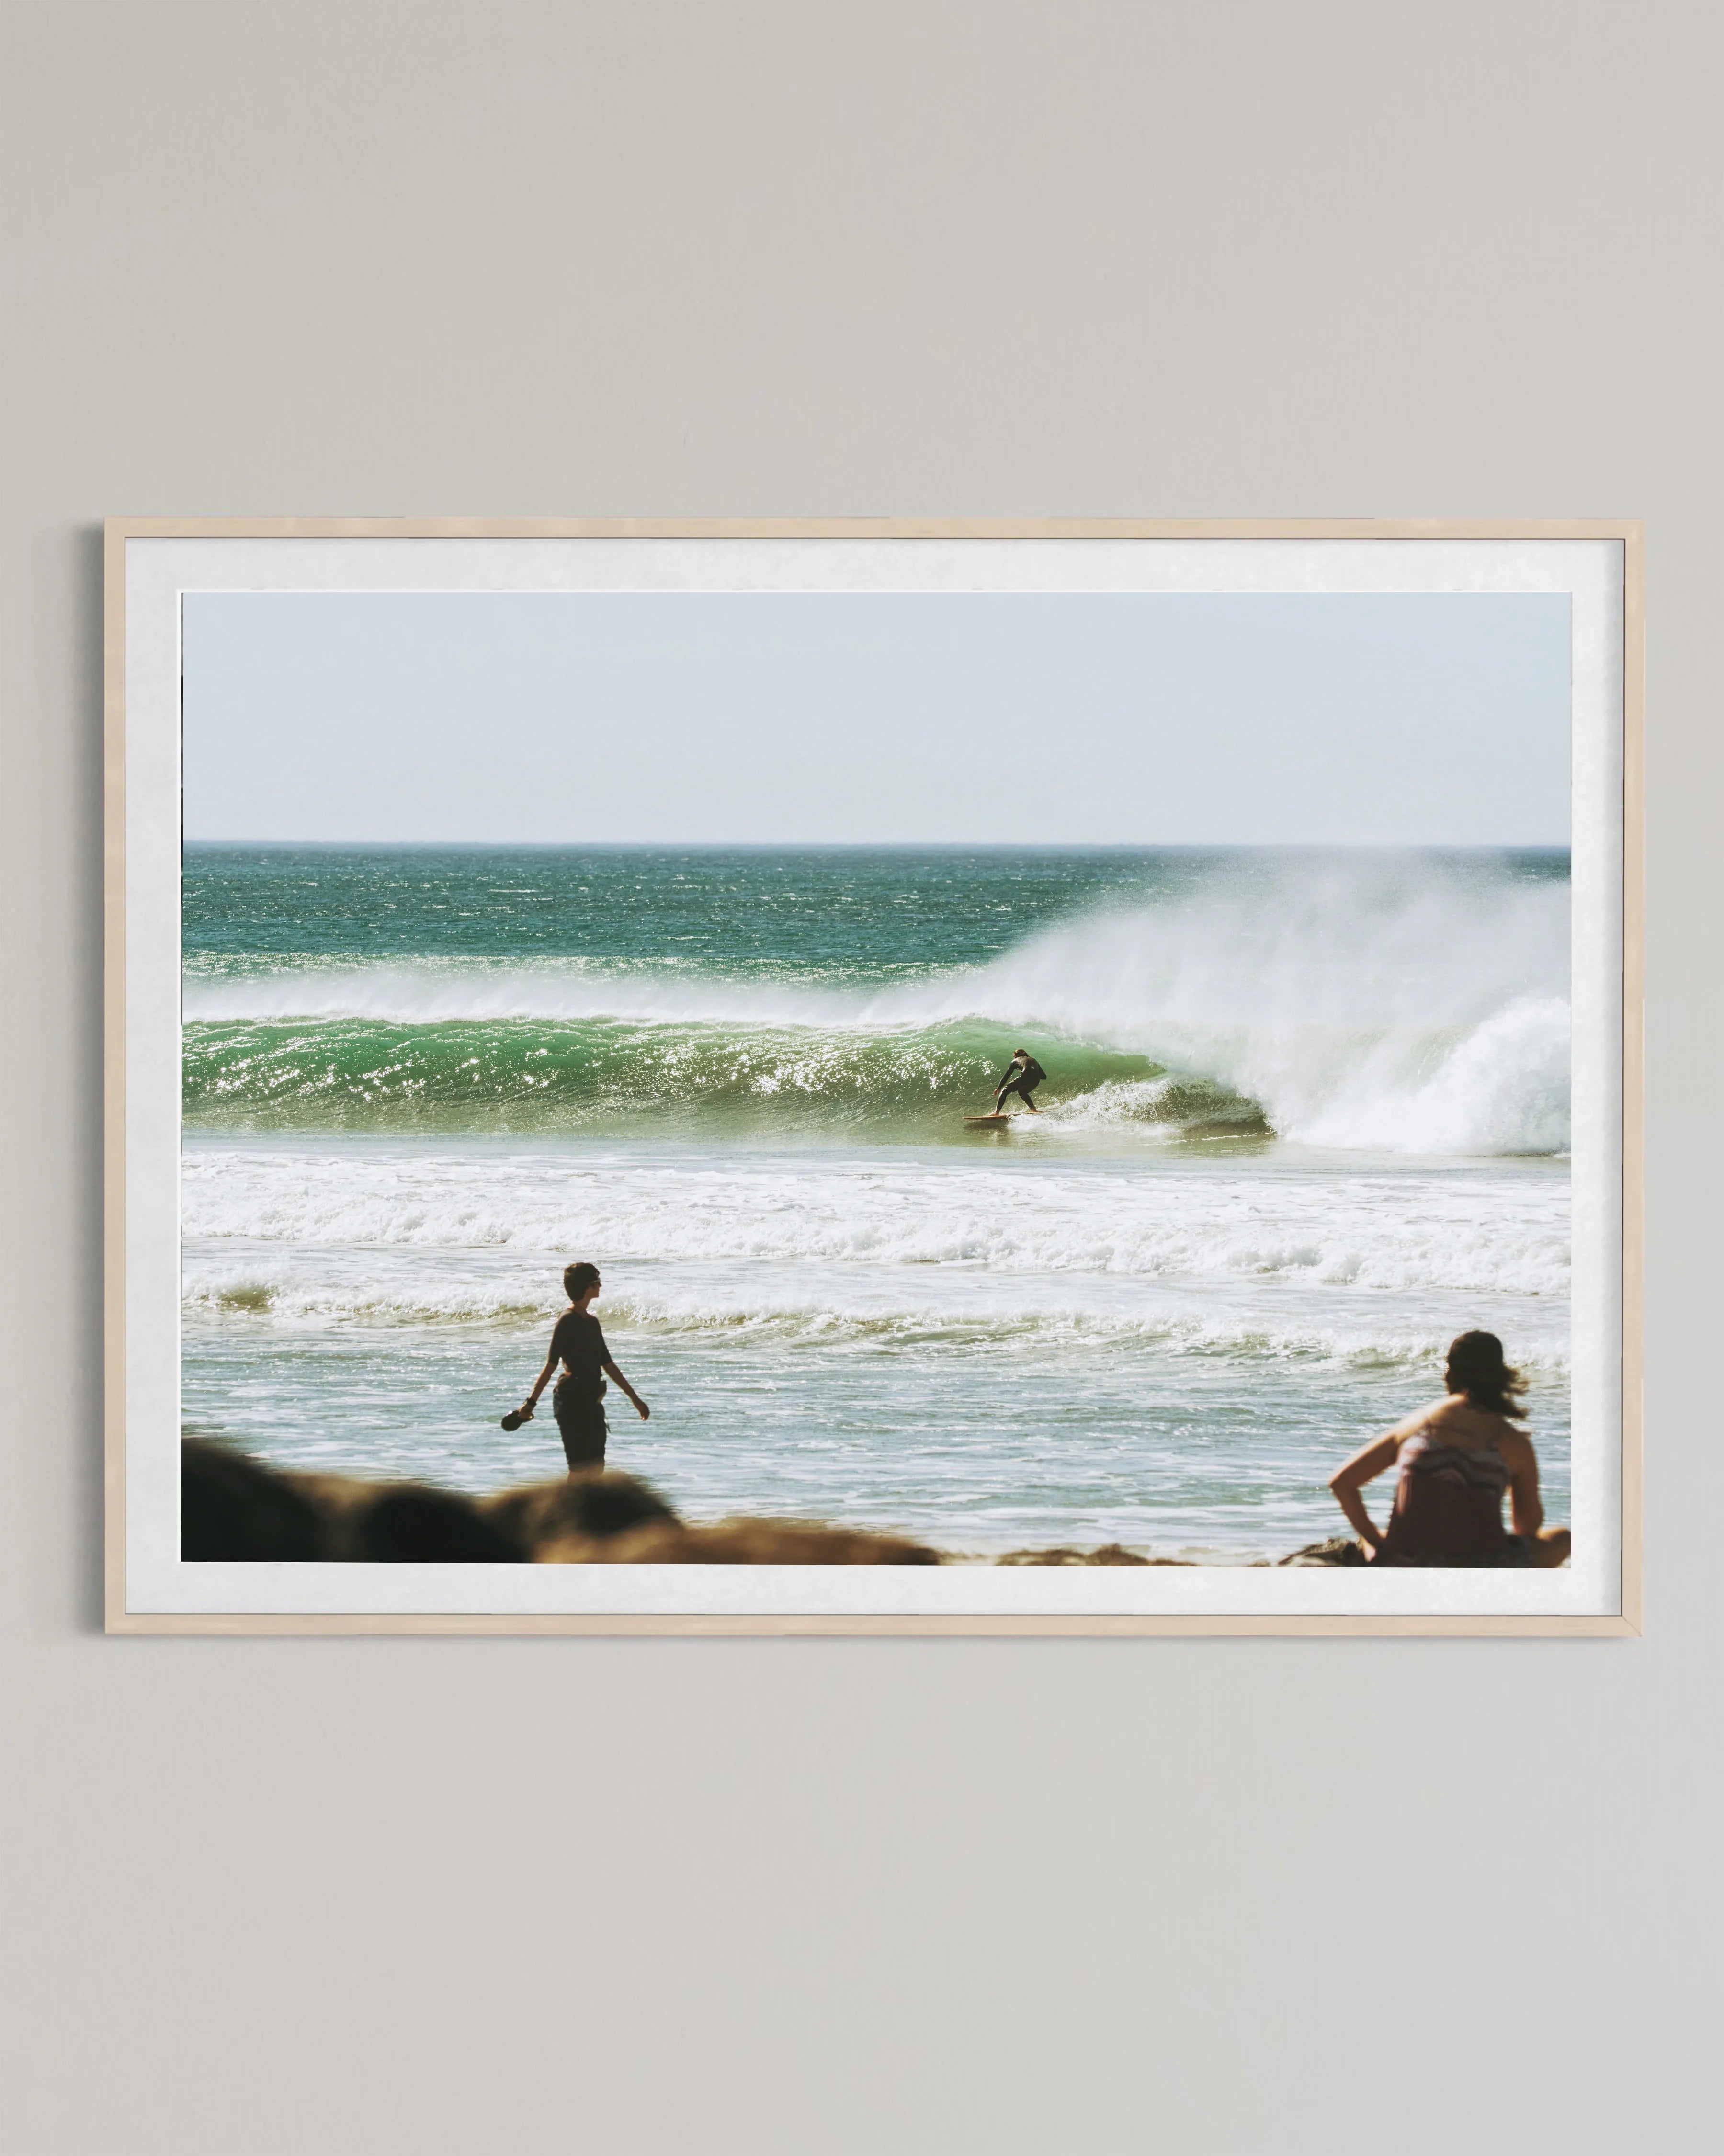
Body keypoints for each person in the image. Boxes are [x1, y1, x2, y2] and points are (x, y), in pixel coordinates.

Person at [1327, 1330, 1570, 1567]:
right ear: (1500, 1375)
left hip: (1406, 1562)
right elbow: (1527, 1529)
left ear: (1450, 1371)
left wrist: (1378, 1544)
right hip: (1484, 1567)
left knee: (1376, 1536)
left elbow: (1342, 1482)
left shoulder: (1421, 1423)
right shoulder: (1513, 1441)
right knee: (1564, 1538)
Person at [517, 1262, 649, 1474]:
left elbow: (608, 1364)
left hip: (592, 1402)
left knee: (597, 1467)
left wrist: (635, 1399)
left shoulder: (592, 1322)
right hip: (571, 1402)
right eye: (596, 1282)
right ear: (586, 1287)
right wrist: (530, 1403)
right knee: (580, 1469)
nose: (600, 1285)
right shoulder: (567, 1320)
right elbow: (551, 1365)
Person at [994, 1047, 1047, 1115]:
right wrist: (1032, 1076)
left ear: (1016, 1056)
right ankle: (1033, 1109)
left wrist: (999, 1088)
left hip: (1025, 1076)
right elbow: (1044, 1076)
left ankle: (997, 1112)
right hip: (1036, 1079)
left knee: (1004, 1091)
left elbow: (1007, 1075)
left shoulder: (1016, 1060)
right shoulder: (1034, 1060)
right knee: (1022, 1092)